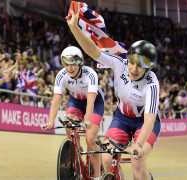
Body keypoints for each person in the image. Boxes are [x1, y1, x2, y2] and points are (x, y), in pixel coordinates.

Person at [67, 3, 161, 179]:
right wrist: (74, 27)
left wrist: (139, 144)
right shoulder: (120, 64)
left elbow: (150, 119)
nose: (134, 69)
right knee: (107, 158)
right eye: (132, 62)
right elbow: (93, 51)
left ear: (149, 68)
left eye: (140, 66)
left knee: (137, 160)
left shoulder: (152, 83)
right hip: (122, 119)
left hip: (144, 123)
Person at [42, 46, 105, 179]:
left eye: (73, 64)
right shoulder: (61, 75)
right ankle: (77, 150)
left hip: (94, 103)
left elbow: (91, 102)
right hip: (76, 101)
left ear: (80, 63)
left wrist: (87, 120)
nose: (69, 68)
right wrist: (50, 121)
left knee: (90, 139)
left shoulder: (91, 74)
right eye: (66, 64)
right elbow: (56, 101)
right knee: (68, 122)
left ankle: (98, 176)